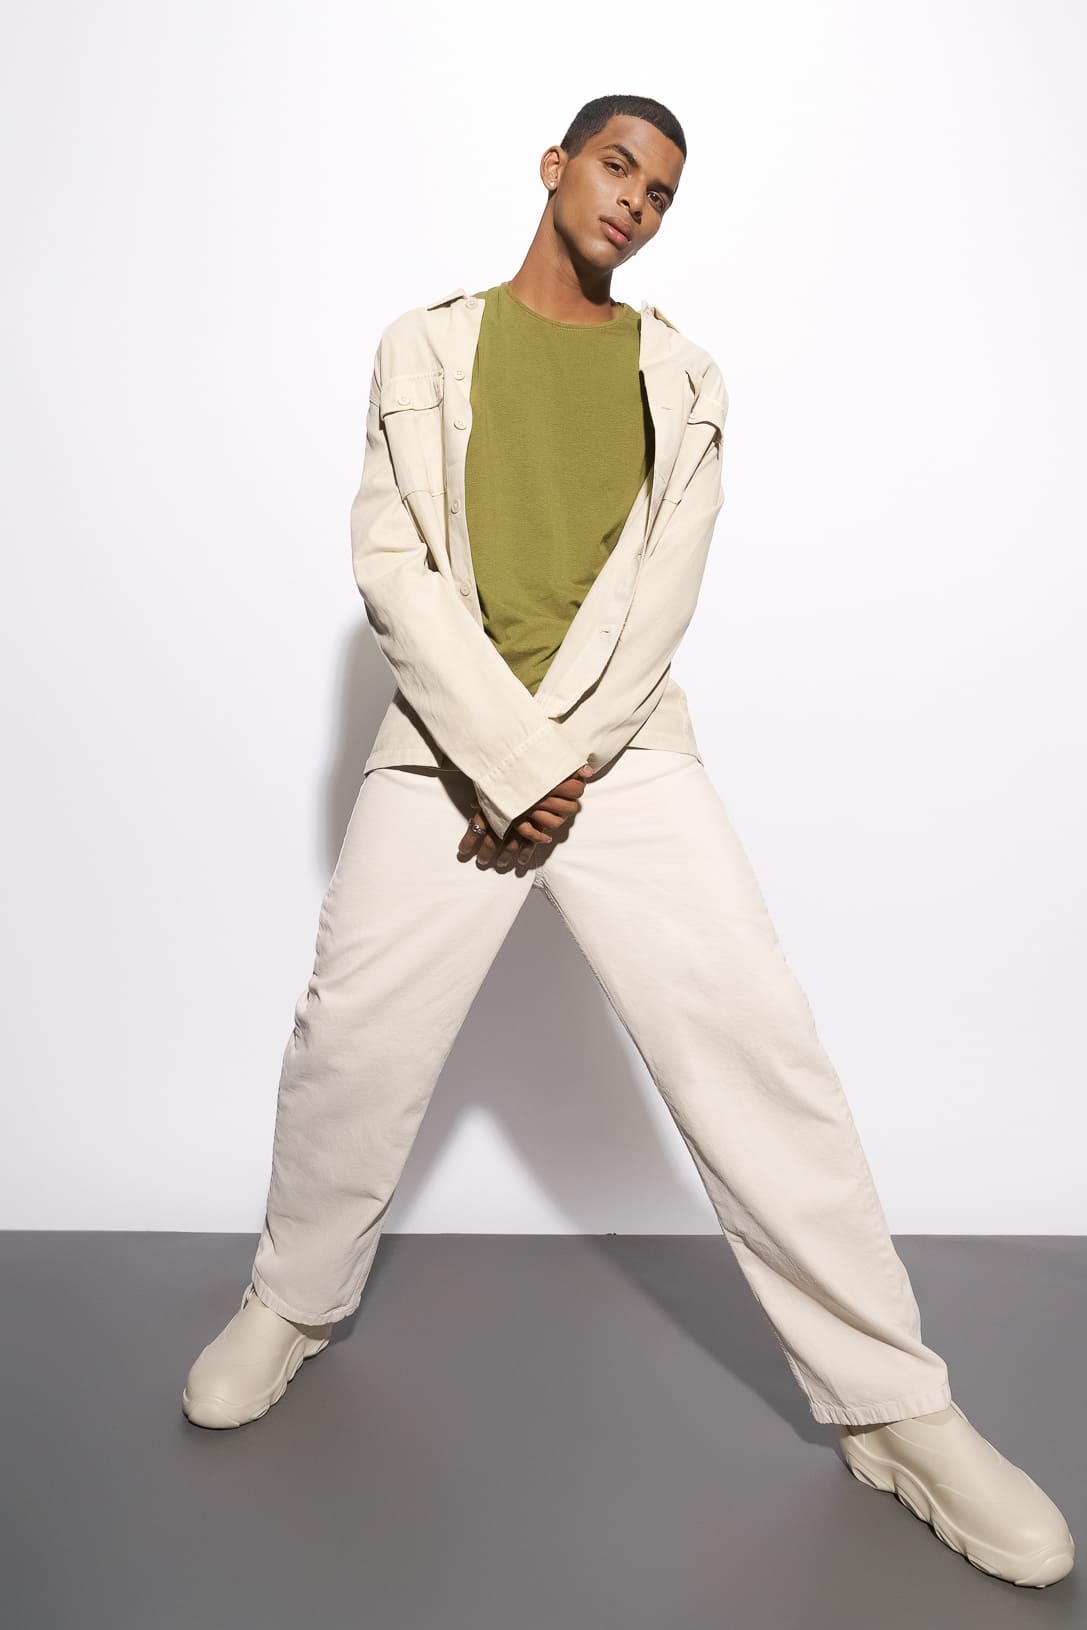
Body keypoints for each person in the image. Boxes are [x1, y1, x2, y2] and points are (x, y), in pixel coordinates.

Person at [181, 94, 1074, 1588]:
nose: (634, 204)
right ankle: (294, 1299)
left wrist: (556, 762)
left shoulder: (687, 376)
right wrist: (502, 755)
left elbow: (663, 600)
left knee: (758, 1045)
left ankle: (896, 1406)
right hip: (444, 750)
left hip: (621, 753)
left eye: (660, 193)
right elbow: (391, 564)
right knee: (353, 1034)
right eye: (616, 168)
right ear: (556, 167)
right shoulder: (424, 345)